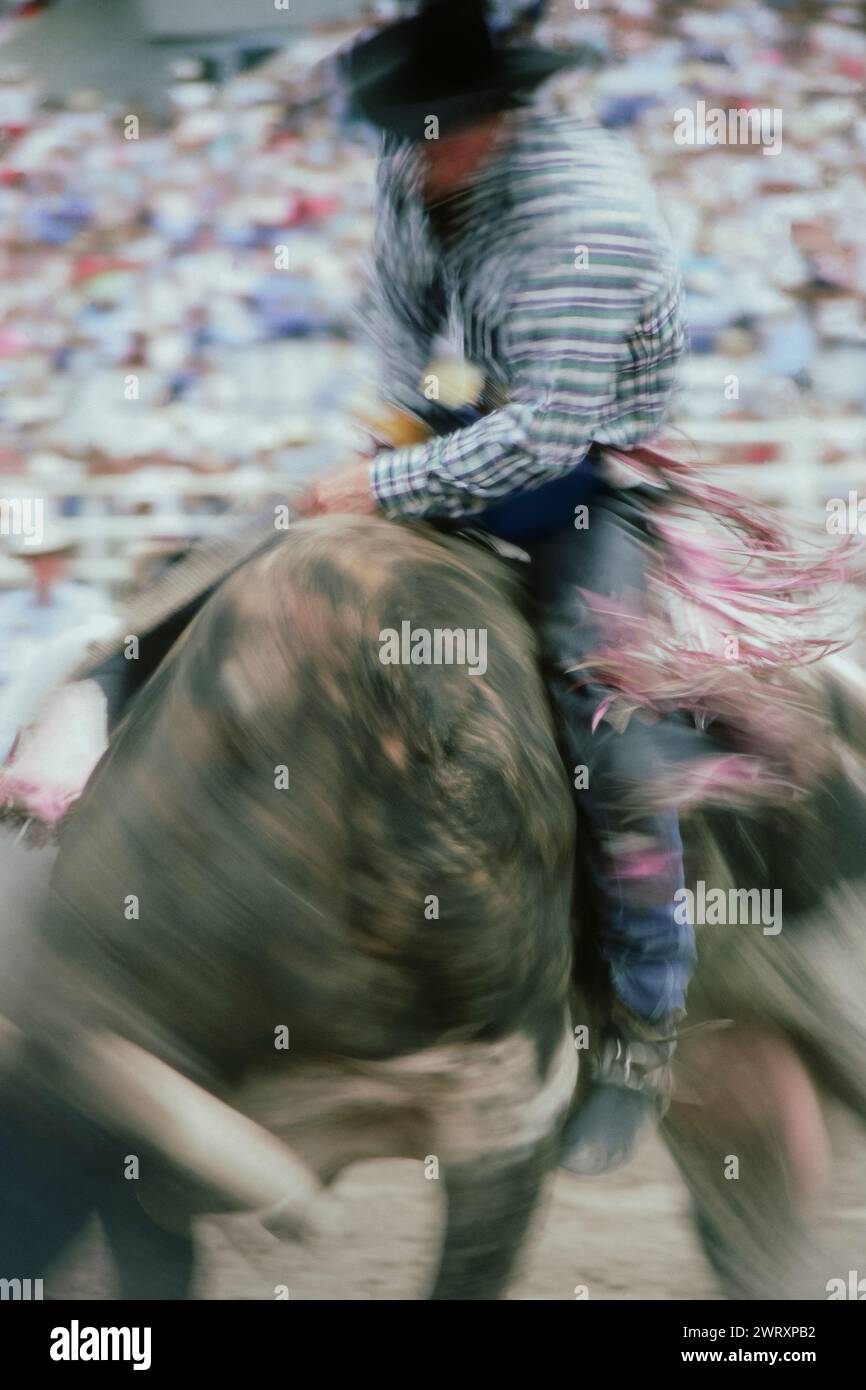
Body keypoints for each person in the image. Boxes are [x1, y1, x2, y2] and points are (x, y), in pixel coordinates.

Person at [310, 0, 695, 1173]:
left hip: (587, 472)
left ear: (503, 115)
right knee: (276, 565)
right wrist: (379, 442)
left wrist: (384, 488)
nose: (422, 155)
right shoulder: (410, 159)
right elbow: (395, 318)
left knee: (604, 724)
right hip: (477, 421)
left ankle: (641, 1020)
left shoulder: (586, 219)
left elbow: (545, 438)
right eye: (410, 134)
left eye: (443, 134)